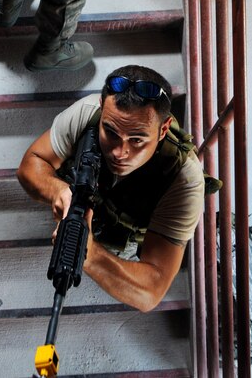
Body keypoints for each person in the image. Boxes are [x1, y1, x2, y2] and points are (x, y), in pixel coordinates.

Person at [17, 64, 205, 312]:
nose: (119, 152)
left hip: (121, 241)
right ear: (103, 108)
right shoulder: (88, 112)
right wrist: (58, 191)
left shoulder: (184, 180)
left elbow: (151, 292)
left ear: (163, 129)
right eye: (110, 132)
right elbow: (31, 165)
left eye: (137, 140)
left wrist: (92, 255)